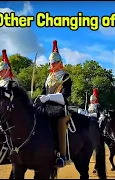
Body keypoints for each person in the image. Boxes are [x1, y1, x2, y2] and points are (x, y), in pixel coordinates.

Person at [39, 40, 72, 168]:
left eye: (54, 62)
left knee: (60, 122)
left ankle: (62, 155)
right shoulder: (48, 78)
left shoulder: (65, 76)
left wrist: (48, 97)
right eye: (50, 63)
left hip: (60, 107)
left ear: (60, 63)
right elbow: (43, 92)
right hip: (46, 107)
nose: (51, 65)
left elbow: (65, 95)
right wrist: (40, 98)